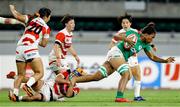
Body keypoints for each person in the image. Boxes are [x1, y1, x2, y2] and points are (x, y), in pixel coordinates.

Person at [70, 22, 175, 102]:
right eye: (152, 37)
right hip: (116, 52)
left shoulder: (145, 45)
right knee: (126, 73)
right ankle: (119, 97)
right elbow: (115, 37)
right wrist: (126, 40)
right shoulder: (133, 33)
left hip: (119, 58)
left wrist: (165, 61)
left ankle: (74, 79)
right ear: (146, 35)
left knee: (97, 77)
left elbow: (152, 57)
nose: (152, 40)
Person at [109, 13, 157, 101]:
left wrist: (152, 45)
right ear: (121, 24)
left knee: (137, 75)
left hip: (133, 56)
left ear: (130, 23)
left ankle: (136, 96)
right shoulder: (120, 33)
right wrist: (112, 51)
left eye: (127, 22)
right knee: (128, 75)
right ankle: (125, 95)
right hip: (124, 56)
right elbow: (112, 43)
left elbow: (144, 37)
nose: (125, 24)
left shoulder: (134, 31)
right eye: (123, 23)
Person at [8, 4, 51, 100]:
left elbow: (17, 16)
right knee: (39, 73)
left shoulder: (31, 18)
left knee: (20, 75)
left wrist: (13, 9)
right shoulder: (46, 27)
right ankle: (28, 85)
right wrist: (38, 39)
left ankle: (15, 94)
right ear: (47, 17)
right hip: (30, 48)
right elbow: (44, 44)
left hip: (19, 48)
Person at [8, 68, 87, 102]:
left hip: (50, 96)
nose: (73, 74)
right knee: (34, 81)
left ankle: (17, 98)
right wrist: (69, 82)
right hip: (46, 85)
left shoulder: (76, 89)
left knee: (35, 97)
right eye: (74, 72)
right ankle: (16, 77)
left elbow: (69, 95)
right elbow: (57, 79)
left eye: (75, 74)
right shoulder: (67, 73)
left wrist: (72, 84)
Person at [44, 14, 80, 81]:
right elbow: (56, 46)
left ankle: (50, 87)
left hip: (60, 59)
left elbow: (69, 46)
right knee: (68, 77)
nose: (73, 24)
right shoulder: (62, 33)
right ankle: (49, 86)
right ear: (66, 24)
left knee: (64, 78)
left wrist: (76, 56)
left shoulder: (70, 34)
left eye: (74, 23)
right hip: (55, 59)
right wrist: (58, 58)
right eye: (71, 23)